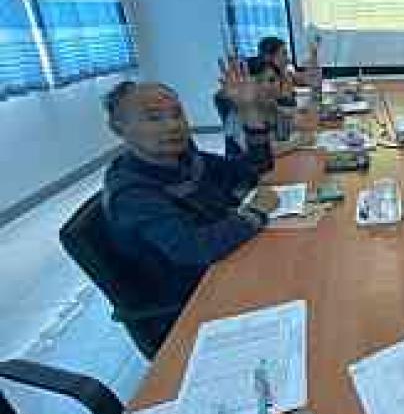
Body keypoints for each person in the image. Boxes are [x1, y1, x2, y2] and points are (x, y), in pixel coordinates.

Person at [102, 60, 279, 317]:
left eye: (177, 114)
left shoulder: (183, 158)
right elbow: (194, 249)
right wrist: (254, 213)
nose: (172, 125)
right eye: (154, 118)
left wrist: (250, 112)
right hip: (197, 297)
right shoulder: (131, 192)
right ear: (119, 128)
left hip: (229, 259)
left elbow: (253, 169)